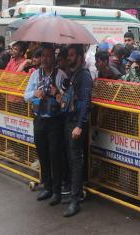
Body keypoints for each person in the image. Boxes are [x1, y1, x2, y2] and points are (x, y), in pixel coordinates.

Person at [24, 44, 67, 206]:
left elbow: (67, 98)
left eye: (49, 56)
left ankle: (57, 191)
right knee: (42, 155)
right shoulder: (35, 75)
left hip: (55, 121)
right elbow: (25, 95)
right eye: (43, 56)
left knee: (55, 155)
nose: (45, 59)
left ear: (53, 58)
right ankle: (47, 187)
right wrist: (34, 93)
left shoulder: (60, 75)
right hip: (39, 120)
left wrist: (58, 93)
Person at [61, 44, 93, 217]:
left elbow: (86, 104)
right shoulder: (72, 74)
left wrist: (80, 125)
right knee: (70, 158)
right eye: (68, 55)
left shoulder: (85, 76)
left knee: (75, 161)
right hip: (68, 120)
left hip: (76, 123)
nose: (69, 58)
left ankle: (76, 200)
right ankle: (76, 193)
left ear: (80, 56)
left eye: (72, 55)